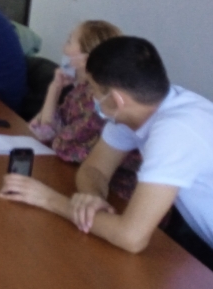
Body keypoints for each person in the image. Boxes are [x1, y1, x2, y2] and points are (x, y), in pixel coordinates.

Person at [1, 37, 213, 267]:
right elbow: (94, 168)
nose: (91, 98)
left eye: (92, 90)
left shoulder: (176, 131)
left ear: (116, 99)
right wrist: (92, 200)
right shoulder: (138, 110)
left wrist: (49, 200)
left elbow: (132, 237)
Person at [29, 20, 140, 199]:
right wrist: (54, 89)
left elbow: (61, 144)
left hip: (114, 195)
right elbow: (39, 130)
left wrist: (52, 133)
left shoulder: (100, 100)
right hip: (79, 178)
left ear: (86, 59)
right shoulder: (81, 90)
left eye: (69, 41)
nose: (63, 48)